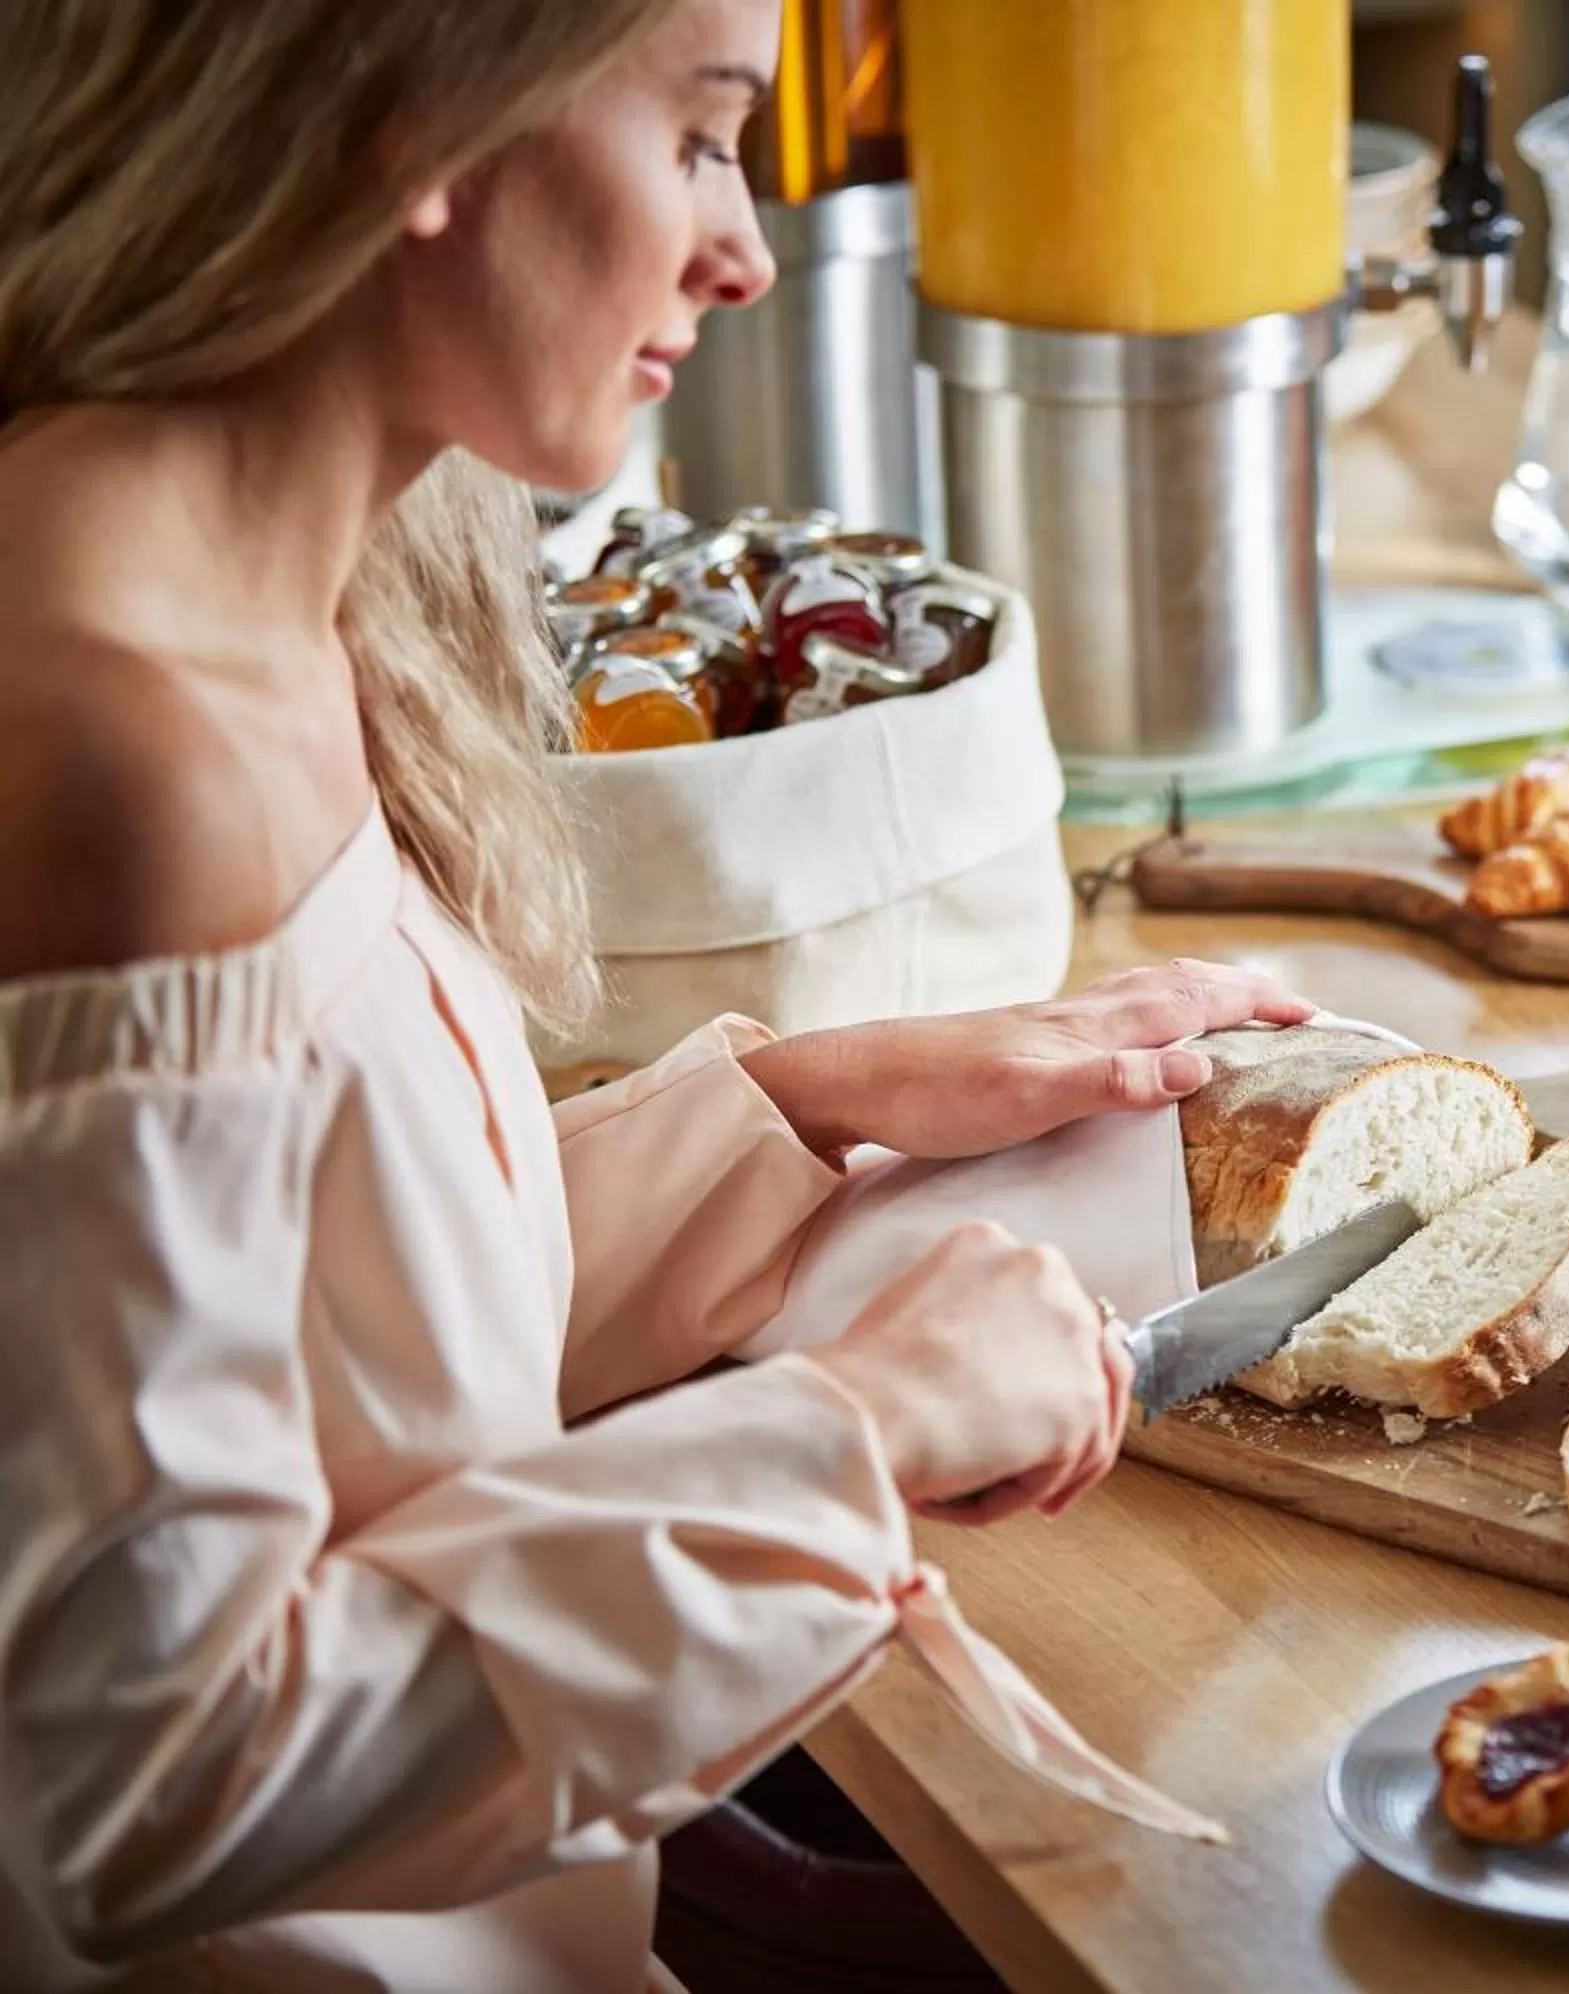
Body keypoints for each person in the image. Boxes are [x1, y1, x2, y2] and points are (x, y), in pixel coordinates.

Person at [0, 1, 1306, 1984]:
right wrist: (856, 1427)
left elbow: (340, 1352)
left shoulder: (257, 597)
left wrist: (792, 1108)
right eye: (703, 135)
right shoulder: (119, 742)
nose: (749, 247)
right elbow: (138, 1775)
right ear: (416, 112)